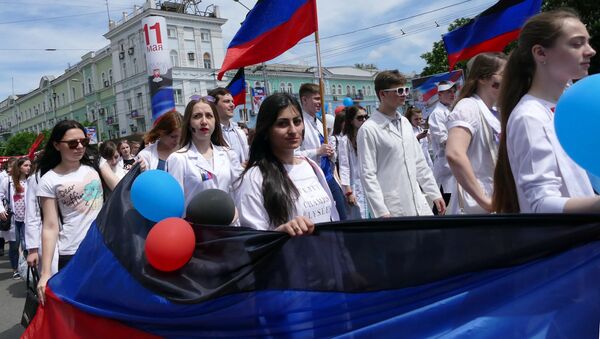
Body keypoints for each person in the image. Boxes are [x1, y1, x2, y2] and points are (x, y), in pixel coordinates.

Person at [493, 9, 599, 213]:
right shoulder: (529, 117)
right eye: (577, 44)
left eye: (588, 41)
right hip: (568, 242)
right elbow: (540, 204)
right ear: (541, 53)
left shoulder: (570, 108)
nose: (591, 50)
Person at [235, 93, 339, 235]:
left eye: (297, 122)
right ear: (266, 130)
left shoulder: (311, 166)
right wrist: (281, 232)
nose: (293, 130)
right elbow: (253, 239)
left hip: (323, 254)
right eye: (282, 124)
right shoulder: (254, 178)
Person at [36, 120, 107, 305]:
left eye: (84, 141)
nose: (80, 147)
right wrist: (45, 274)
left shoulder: (94, 165)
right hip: (73, 253)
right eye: (73, 143)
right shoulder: (48, 180)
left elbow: (120, 187)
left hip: (103, 248)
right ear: (57, 145)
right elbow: (50, 226)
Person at [358, 70, 445, 217]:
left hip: (418, 201)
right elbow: (368, 175)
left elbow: (419, 162)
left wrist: (434, 193)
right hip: (393, 208)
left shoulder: (405, 122)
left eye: (405, 90)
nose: (404, 94)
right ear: (382, 94)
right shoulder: (369, 129)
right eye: (399, 91)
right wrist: (381, 212)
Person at [445, 52, 507, 214]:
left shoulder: (496, 111)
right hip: (478, 209)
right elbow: (454, 154)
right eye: (504, 75)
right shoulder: (468, 107)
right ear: (483, 78)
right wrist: (484, 201)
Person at [167, 96, 242, 214]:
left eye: (209, 116)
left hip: (229, 228)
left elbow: (241, 194)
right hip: (196, 229)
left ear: (215, 121)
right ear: (188, 123)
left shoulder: (228, 154)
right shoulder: (178, 159)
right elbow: (175, 206)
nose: (204, 122)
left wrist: (235, 215)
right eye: (197, 116)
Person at [297, 83, 346, 220]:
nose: (320, 103)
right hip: (312, 182)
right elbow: (293, 155)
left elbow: (331, 153)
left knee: (342, 216)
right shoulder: (299, 124)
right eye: (317, 99)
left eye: (321, 99)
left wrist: (331, 152)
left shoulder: (320, 123)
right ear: (304, 100)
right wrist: (317, 151)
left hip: (329, 177)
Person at [0, 157, 32, 279]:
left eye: (29, 165)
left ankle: (27, 268)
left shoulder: (31, 181)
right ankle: (15, 269)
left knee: (27, 245)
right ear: (19, 167)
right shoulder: (8, 181)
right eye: (25, 165)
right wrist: (1, 209)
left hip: (27, 219)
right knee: (14, 245)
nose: (28, 168)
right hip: (13, 219)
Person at [428, 81, 457, 204]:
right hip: (445, 164)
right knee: (443, 201)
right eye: (448, 91)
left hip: (453, 162)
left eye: (453, 91)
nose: (452, 94)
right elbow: (443, 139)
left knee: (452, 200)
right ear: (439, 94)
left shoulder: (450, 110)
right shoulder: (437, 114)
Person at [338, 105, 369, 219]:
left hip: (369, 183)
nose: (364, 120)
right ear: (351, 121)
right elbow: (344, 166)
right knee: (359, 216)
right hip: (355, 185)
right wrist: (348, 191)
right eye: (360, 118)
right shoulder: (345, 141)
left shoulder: (368, 136)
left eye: (366, 117)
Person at [208, 88, 250, 165]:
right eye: (226, 101)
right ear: (214, 106)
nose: (232, 105)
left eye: (232, 101)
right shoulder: (209, 133)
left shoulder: (239, 132)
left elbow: (246, 156)